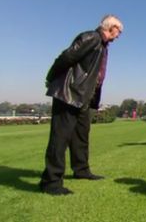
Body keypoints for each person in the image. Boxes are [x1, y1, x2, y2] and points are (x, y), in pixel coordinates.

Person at [39, 15, 123, 195]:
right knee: (60, 137)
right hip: (70, 93)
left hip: (84, 97)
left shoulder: (102, 45)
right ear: (111, 27)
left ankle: (81, 170)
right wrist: (51, 78)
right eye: (119, 32)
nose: (119, 36)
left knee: (81, 135)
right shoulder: (91, 38)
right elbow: (66, 57)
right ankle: (51, 182)